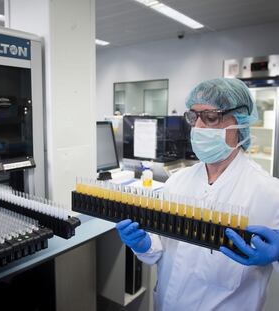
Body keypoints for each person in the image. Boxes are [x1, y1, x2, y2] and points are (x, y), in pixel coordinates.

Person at [116, 78, 279, 311]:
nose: (199, 128)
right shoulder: (177, 182)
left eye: (211, 117)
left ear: (240, 121)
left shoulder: (270, 193)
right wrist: (143, 244)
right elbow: (159, 251)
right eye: (194, 117)